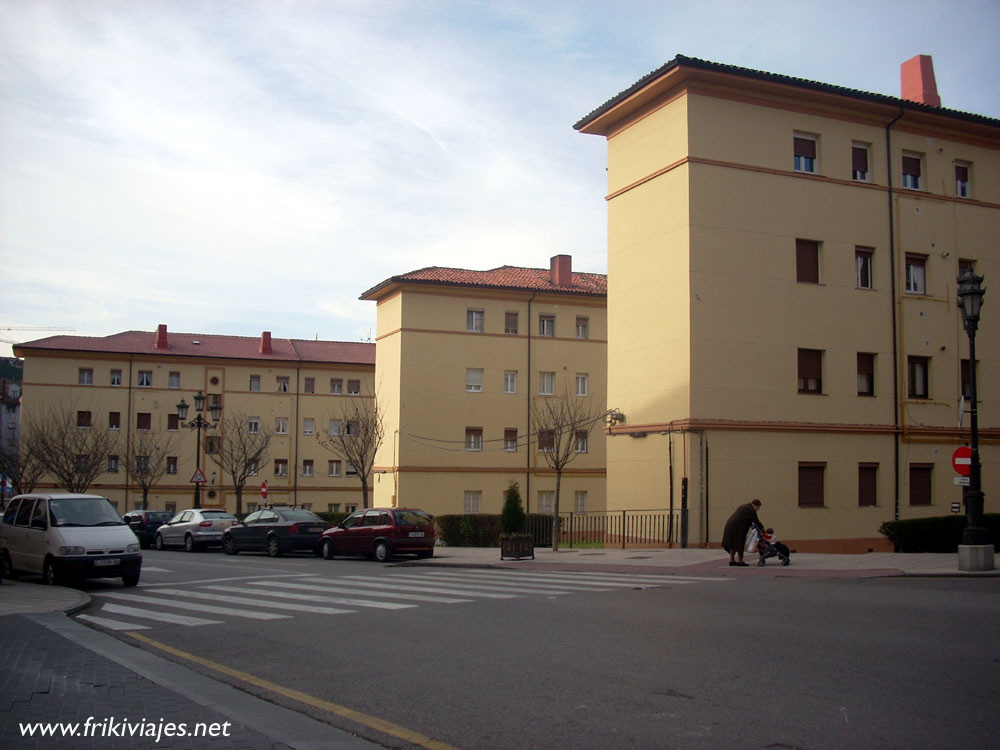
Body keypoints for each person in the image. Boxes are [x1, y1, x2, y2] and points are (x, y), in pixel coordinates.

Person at [721, 498, 764, 566]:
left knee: (732, 543)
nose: (758, 509)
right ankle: (740, 561)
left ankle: (732, 560)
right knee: (739, 543)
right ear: (755, 505)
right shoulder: (751, 510)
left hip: (730, 525)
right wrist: (763, 530)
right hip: (738, 527)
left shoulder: (743, 506)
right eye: (758, 507)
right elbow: (756, 521)